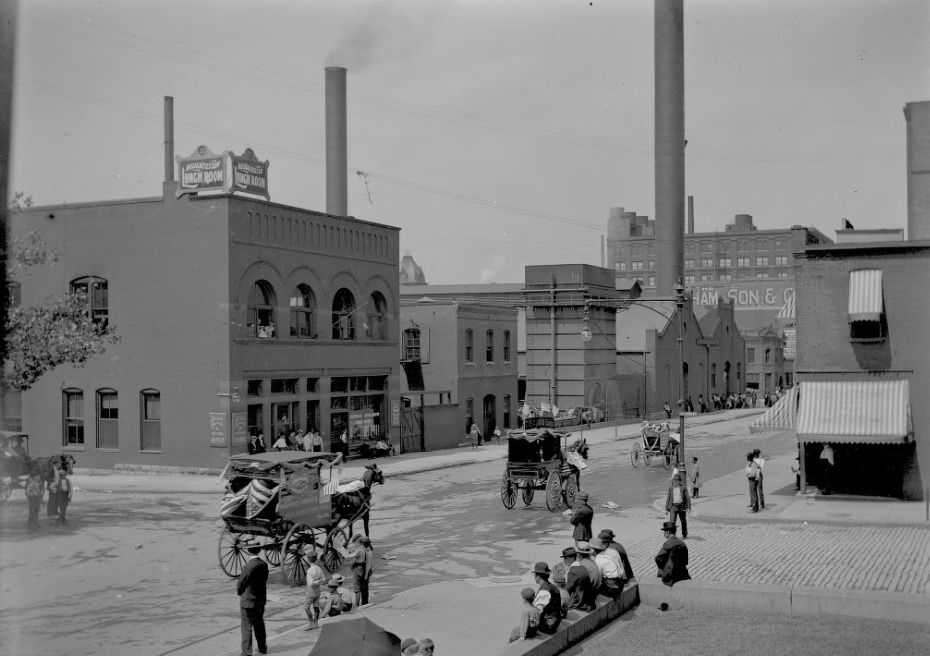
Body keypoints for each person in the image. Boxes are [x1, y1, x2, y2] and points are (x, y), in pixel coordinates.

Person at [237, 542, 268, 656]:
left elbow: (241, 584)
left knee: (246, 627)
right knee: (259, 624)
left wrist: (240, 592)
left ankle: (247, 652)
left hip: (248, 601)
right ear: (258, 550)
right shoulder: (263, 564)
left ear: (248, 551)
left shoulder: (248, 567)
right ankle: (262, 647)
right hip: (260, 600)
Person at [655, 521, 690, 586]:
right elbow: (686, 561)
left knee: (659, 573)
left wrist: (663, 567)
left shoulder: (668, 543)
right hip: (683, 573)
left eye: (664, 531)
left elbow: (657, 558)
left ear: (668, 532)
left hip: (671, 575)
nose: (664, 533)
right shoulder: (682, 543)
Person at [530, 561, 562, 634]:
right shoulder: (552, 586)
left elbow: (537, 612)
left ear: (538, 576)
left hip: (548, 625)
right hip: (555, 621)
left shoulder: (544, 591)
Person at [565, 547, 596, 611]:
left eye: (565, 558)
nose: (564, 561)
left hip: (579, 603)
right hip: (589, 601)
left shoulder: (572, 572)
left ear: (571, 558)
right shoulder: (583, 567)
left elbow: (567, 588)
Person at [349, 535, 374, 607]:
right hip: (365, 571)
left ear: (362, 543)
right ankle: (364, 603)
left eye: (359, 543)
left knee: (361, 588)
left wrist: (366, 575)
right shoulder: (367, 550)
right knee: (364, 588)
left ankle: (361, 604)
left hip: (364, 571)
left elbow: (368, 565)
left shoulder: (365, 551)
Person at [665, 469, 690, 539]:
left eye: (676, 481)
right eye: (674, 480)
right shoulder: (671, 488)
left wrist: (688, 508)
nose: (674, 482)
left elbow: (687, 498)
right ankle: (672, 535)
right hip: (673, 506)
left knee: (683, 521)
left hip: (681, 507)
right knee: (672, 522)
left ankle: (684, 535)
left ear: (679, 481)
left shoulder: (683, 488)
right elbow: (668, 498)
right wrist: (666, 509)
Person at [303, 551, 325, 630]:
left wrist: (316, 582)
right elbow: (323, 579)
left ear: (308, 560)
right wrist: (319, 581)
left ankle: (311, 623)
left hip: (311, 590)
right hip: (318, 590)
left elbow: (310, 583)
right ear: (316, 559)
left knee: (306, 607)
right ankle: (316, 623)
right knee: (316, 606)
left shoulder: (310, 570)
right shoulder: (319, 569)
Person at [25, 467, 44, 532]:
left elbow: (39, 490)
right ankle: (31, 525)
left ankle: (35, 524)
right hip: (33, 498)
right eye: (38, 478)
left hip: (36, 498)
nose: (39, 478)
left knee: (36, 511)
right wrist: (30, 496)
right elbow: (27, 491)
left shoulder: (36, 483)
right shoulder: (32, 483)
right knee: (32, 512)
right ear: (34, 478)